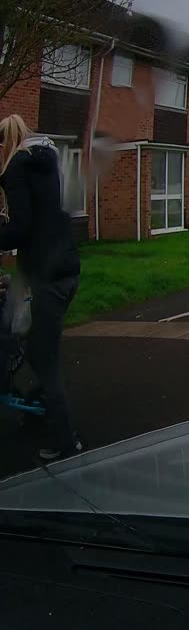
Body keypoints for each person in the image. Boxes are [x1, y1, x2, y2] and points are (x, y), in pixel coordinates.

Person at [0, 114, 81, 461]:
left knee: (43, 358)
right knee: (35, 349)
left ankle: (67, 443)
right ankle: (40, 411)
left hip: (45, 276)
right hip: (66, 271)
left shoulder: (16, 167)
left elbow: (20, 228)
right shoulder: (47, 162)